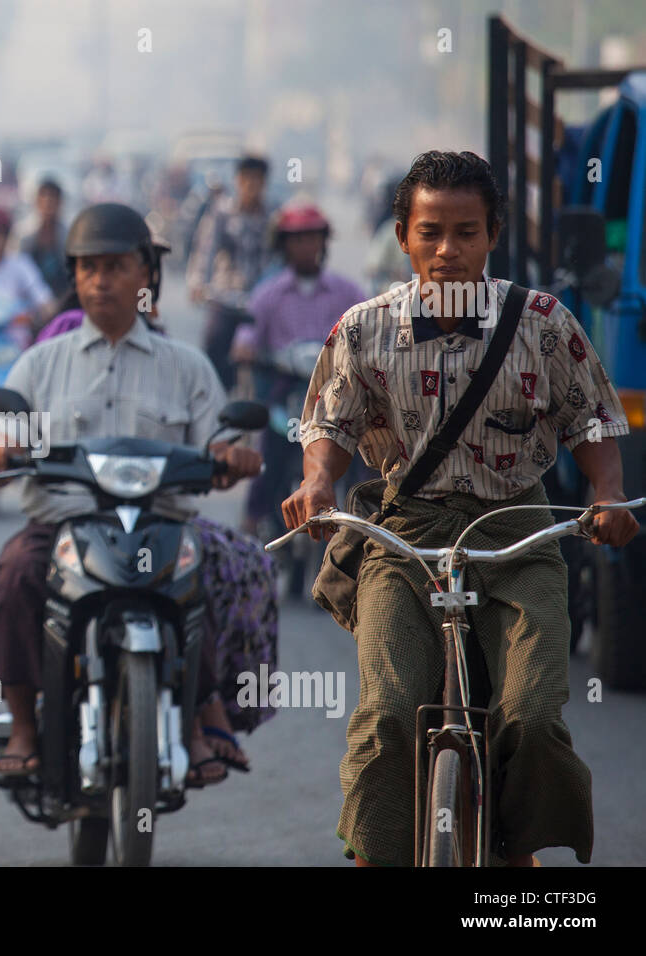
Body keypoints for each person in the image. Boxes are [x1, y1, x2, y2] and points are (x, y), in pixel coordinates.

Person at [283, 150, 639, 867]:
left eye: (467, 232)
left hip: (517, 534)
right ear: (404, 236)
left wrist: (607, 500)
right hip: (405, 536)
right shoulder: (363, 328)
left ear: (494, 234)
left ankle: (520, 849)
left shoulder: (543, 324)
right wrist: (317, 486)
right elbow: (328, 424)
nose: (448, 250)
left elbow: (592, 421)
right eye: (431, 232)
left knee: (532, 716)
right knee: (386, 714)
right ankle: (378, 850)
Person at [0, 203, 277, 788]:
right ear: (74, 278)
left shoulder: (187, 367)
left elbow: (221, 435)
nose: (101, 280)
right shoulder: (39, 362)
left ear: (145, 277)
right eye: (88, 268)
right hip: (62, 527)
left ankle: (200, 719)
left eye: (115, 266)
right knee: (11, 579)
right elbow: (4, 427)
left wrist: (231, 455)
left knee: (205, 577)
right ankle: (26, 725)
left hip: (158, 525)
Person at [230, 204, 366, 538]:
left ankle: (367, 526)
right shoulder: (268, 293)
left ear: (323, 242)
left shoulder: (347, 291)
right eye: (297, 239)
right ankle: (250, 525)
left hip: (336, 398)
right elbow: (247, 333)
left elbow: (370, 325)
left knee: (364, 458)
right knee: (271, 457)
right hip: (287, 395)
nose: (306, 246)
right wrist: (246, 347)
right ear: (284, 245)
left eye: (312, 238)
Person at [186, 155, 274, 388]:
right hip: (225, 296)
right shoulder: (221, 212)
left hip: (261, 299)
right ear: (238, 180)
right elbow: (205, 248)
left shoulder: (272, 216)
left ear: (264, 183)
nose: (251, 186)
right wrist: (197, 283)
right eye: (246, 179)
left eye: (257, 180)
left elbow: (279, 258)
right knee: (214, 346)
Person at [15, 178, 71, 298]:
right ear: (36, 201)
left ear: (60, 202)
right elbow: (17, 270)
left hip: (62, 295)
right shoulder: (23, 233)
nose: (48, 202)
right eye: (44, 197)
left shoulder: (68, 234)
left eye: (53, 197)